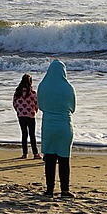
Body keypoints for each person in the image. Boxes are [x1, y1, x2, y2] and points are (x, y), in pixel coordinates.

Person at [36, 59, 75, 198]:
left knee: (50, 159)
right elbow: (73, 108)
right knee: (64, 159)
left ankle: (49, 190)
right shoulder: (68, 87)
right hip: (65, 126)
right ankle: (65, 190)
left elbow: (40, 106)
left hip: (48, 126)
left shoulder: (43, 86)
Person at [12, 74, 41, 160]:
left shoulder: (18, 92)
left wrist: (18, 111)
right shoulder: (32, 93)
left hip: (21, 115)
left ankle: (25, 153)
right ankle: (35, 153)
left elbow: (14, 103)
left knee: (24, 134)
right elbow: (36, 104)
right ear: (30, 82)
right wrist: (35, 111)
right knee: (32, 135)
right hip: (30, 115)